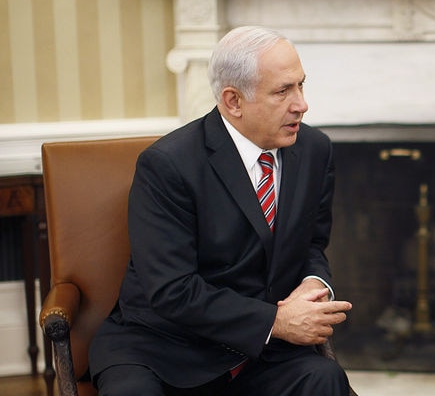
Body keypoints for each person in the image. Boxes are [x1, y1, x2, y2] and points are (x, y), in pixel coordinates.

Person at [89, 26, 353, 395]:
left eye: (300, 85)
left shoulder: (314, 150)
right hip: (164, 348)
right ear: (233, 101)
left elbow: (311, 245)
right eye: (283, 91)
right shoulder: (168, 165)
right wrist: (275, 321)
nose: (301, 104)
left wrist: (313, 284)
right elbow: (172, 289)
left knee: (325, 379)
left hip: (261, 353)